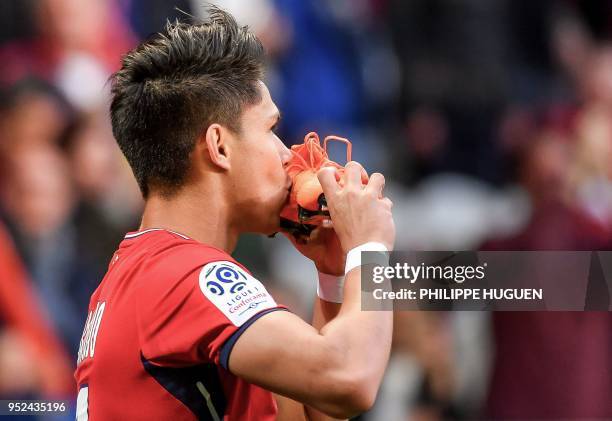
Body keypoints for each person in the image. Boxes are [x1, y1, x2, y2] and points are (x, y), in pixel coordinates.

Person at [74, 7, 395, 421]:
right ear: (219, 147)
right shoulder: (185, 276)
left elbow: (324, 406)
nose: (287, 155)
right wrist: (369, 249)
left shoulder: (149, 273)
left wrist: (334, 274)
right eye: (272, 130)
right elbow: (350, 380)